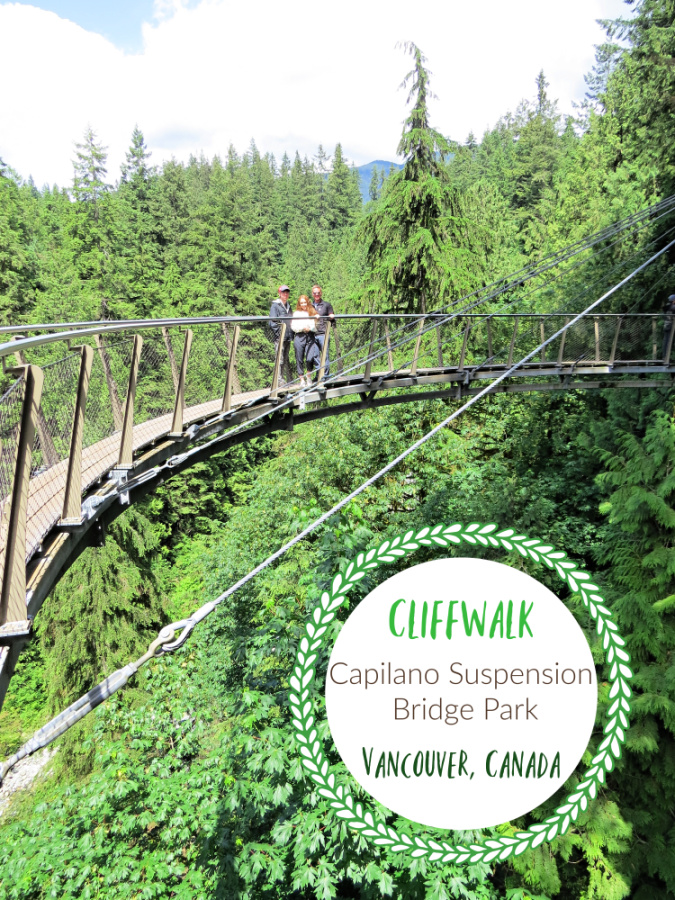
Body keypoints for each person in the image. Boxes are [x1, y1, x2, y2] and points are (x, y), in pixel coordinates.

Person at [291, 295, 321, 387]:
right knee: (299, 358)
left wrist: (310, 328)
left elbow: (317, 325)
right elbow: (293, 326)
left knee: (310, 358)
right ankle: (302, 379)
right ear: (299, 304)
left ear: (307, 302)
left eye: (305, 302)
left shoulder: (312, 311)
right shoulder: (296, 314)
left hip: (310, 335)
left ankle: (308, 377)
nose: (303, 304)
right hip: (300, 336)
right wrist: (302, 328)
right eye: (301, 303)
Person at [269, 285, 293, 385]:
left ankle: (282, 378)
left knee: (285, 358)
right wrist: (279, 333)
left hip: (288, 336)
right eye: (283, 292)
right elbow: (272, 322)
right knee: (280, 359)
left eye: (287, 292)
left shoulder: (288, 306)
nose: (285, 294)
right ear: (279, 293)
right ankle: (278, 380)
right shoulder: (275, 306)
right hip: (280, 337)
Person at [311, 284, 335, 379]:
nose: (317, 294)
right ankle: (318, 374)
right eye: (315, 293)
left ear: (321, 293)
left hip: (323, 333)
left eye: (318, 293)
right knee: (315, 355)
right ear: (312, 294)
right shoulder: (310, 306)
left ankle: (325, 375)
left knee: (325, 355)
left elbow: (331, 315)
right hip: (312, 334)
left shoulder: (326, 305)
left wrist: (331, 316)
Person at [663, 294, 675, 360]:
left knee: (666, 342)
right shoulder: (672, 307)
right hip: (670, 326)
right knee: (668, 342)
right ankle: (666, 358)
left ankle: (665, 357)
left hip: (666, 325)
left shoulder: (667, 306)